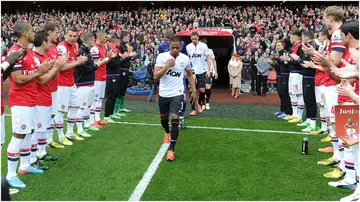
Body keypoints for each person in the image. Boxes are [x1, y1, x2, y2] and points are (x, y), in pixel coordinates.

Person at [6, 22, 51, 188]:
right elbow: (17, 80)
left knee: (28, 132)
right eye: (31, 31)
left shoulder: (29, 53)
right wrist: (38, 72)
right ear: (25, 33)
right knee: (18, 135)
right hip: (21, 99)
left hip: (31, 99)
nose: (34, 33)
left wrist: (45, 69)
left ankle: (24, 166)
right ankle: (11, 174)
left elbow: (36, 78)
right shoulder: (15, 52)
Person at [154, 36, 196, 161]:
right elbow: (156, 76)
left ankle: (171, 150)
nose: (175, 50)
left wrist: (193, 90)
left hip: (177, 93)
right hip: (163, 94)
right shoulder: (162, 57)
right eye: (173, 48)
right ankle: (167, 132)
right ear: (169, 46)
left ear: (181, 47)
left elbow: (190, 75)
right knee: (163, 119)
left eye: (177, 48)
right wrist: (166, 66)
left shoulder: (185, 59)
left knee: (175, 118)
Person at [32, 31, 66, 169]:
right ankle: (31, 159)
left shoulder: (42, 56)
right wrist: (56, 66)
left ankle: (41, 152)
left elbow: (52, 77)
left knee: (43, 127)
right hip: (38, 97)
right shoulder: (34, 57)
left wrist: (56, 66)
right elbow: (41, 80)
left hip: (47, 94)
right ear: (44, 42)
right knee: (36, 129)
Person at [54, 26, 88, 146]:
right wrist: (78, 62)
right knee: (61, 110)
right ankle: (60, 136)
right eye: (70, 35)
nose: (73, 38)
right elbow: (61, 67)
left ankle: (69, 132)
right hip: (62, 83)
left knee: (75, 105)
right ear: (65, 35)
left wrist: (78, 59)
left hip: (71, 81)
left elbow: (72, 62)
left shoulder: (75, 46)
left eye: (75, 36)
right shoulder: (62, 47)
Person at [157, 28, 188, 128]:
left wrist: (186, 71)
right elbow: (158, 60)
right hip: (166, 75)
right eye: (167, 38)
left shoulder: (181, 44)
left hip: (178, 75)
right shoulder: (162, 46)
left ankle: (181, 118)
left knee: (181, 97)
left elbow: (185, 58)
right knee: (166, 98)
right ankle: (166, 121)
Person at [75, 32, 106, 133]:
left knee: (87, 105)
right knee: (82, 106)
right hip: (83, 83)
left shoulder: (87, 52)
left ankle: (87, 124)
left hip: (89, 82)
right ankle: (79, 129)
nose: (94, 41)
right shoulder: (81, 52)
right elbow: (84, 69)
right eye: (93, 39)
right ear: (89, 41)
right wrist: (96, 66)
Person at [43, 21, 64, 149]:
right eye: (56, 32)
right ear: (49, 32)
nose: (58, 35)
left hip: (54, 85)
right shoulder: (42, 48)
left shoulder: (54, 47)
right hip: (46, 87)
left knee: (51, 114)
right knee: (44, 116)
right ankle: (42, 143)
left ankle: (49, 140)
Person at [90, 30, 115, 124]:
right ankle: (92, 120)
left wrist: (109, 58)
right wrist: (107, 58)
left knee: (100, 98)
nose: (106, 38)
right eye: (104, 37)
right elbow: (96, 64)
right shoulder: (95, 49)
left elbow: (104, 63)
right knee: (94, 99)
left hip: (103, 75)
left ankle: (97, 118)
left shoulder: (103, 47)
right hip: (96, 77)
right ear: (99, 37)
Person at [186, 32, 211, 115]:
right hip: (192, 71)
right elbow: (186, 59)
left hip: (202, 70)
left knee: (202, 90)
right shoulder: (188, 47)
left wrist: (208, 70)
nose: (194, 40)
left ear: (198, 38)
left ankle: (200, 102)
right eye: (192, 39)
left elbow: (208, 58)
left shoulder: (203, 46)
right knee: (192, 90)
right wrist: (185, 71)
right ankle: (193, 109)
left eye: (195, 39)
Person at [114, 31, 136, 116]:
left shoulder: (125, 45)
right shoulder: (121, 46)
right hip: (122, 68)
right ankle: (117, 108)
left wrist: (130, 56)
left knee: (123, 88)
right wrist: (130, 55)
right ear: (123, 37)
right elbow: (123, 57)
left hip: (126, 68)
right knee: (120, 87)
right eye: (128, 36)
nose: (129, 38)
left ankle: (121, 106)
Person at [104, 35, 122, 122]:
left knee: (114, 95)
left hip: (116, 74)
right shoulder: (110, 50)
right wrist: (119, 59)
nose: (120, 43)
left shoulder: (115, 50)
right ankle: (107, 114)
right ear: (116, 41)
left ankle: (111, 113)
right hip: (111, 75)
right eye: (118, 41)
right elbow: (109, 64)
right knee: (110, 95)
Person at [200, 38, 217, 110]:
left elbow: (213, 61)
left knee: (208, 87)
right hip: (200, 71)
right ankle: (203, 102)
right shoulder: (198, 51)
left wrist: (215, 72)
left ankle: (207, 102)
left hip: (209, 71)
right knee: (202, 89)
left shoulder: (210, 51)